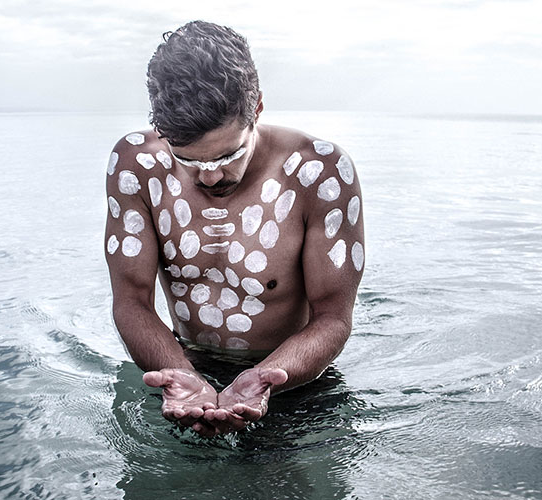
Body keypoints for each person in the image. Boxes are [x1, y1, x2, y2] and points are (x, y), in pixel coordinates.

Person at [104, 20, 364, 437]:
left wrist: (266, 378)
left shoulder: (318, 172)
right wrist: (180, 374)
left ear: (256, 108)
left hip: (291, 379)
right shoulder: (138, 164)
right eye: (188, 160)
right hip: (180, 369)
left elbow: (333, 317)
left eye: (227, 156)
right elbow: (131, 300)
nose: (209, 177)